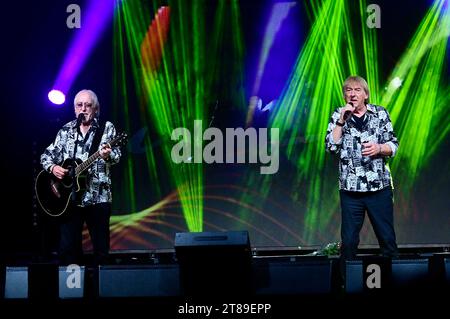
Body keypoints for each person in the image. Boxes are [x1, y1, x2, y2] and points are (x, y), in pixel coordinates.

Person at [40, 89, 121, 265]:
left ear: (96, 109)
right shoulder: (66, 130)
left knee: (101, 250)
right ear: (75, 109)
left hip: (98, 198)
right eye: (79, 105)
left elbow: (117, 156)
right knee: (68, 251)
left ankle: (101, 291)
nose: (83, 109)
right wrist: (53, 168)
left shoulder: (107, 128)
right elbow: (46, 156)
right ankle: (72, 291)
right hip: (70, 200)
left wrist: (107, 155)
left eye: (88, 105)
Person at [325, 76, 399, 264]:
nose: (352, 94)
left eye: (357, 90)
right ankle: (347, 285)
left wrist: (379, 148)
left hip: (378, 189)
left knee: (387, 239)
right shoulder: (338, 115)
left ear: (365, 95)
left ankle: (392, 281)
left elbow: (394, 145)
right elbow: (331, 147)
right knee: (349, 242)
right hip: (351, 191)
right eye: (348, 90)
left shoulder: (380, 113)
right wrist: (341, 121)